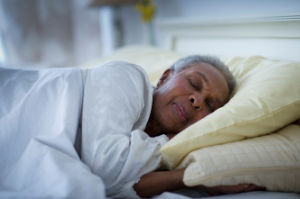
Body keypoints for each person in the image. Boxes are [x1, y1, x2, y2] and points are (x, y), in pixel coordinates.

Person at [0, 55, 260, 199]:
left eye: (211, 107)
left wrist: (193, 178)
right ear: (165, 77)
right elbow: (108, 169)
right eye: (193, 83)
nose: (197, 100)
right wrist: (169, 140)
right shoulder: (126, 77)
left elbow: (122, 186)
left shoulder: (158, 146)